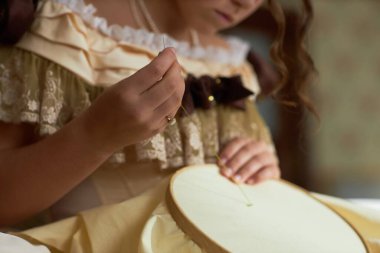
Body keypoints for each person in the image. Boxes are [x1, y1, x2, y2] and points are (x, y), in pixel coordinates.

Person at [0, 0, 379, 252]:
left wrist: (262, 171)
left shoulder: (232, 61)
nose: (245, 2)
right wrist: (93, 136)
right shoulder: (64, 28)